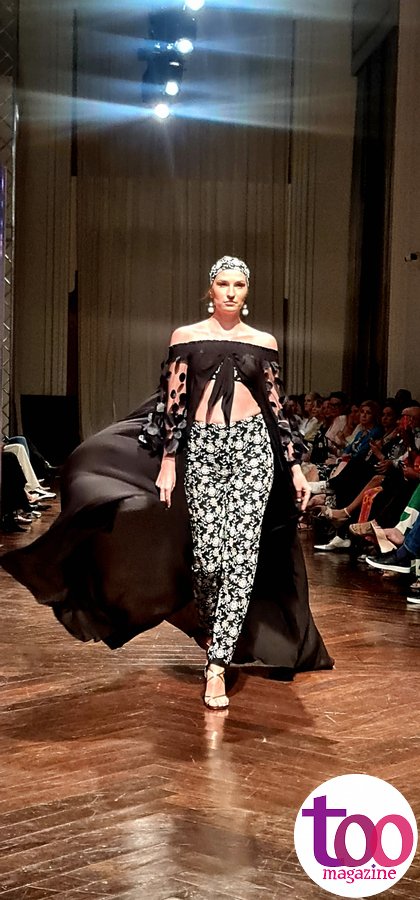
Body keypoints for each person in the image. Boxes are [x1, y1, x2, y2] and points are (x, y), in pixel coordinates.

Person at [1, 255, 333, 710]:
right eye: (223, 284)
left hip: (252, 450)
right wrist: (170, 461)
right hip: (202, 450)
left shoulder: (263, 342)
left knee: (240, 557)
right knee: (208, 559)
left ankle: (217, 665)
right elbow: (174, 405)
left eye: (239, 284)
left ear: (247, 291)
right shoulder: (186, 337)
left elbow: (276, 409)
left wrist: (293, 467)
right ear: (210, 290)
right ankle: (214, 629)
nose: (231, 292)